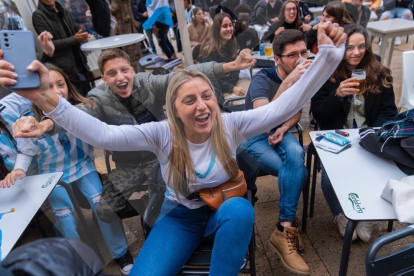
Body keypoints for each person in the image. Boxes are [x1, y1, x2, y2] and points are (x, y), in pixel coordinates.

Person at [6, 21, 346, 276]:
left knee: (242, 210)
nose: (202, 106)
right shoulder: (162, 133)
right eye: (190, 100)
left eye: (207, 96)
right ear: (174, 108)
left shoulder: (230, 124)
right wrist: (47, 102)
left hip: (223, 210)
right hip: (180, 216)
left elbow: (285, 106)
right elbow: (104, 136)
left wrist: (329, 56)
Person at [16, 42, 256, 224]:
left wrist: (231, 66)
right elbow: (83, 113)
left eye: (124, 70)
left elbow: (184, 75)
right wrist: (45, 125)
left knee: (180, 197)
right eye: (112, 74)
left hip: (164, 159)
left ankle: (168, 216)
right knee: (105, 212)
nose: (120, 78)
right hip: (128, 164)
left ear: (132, 71)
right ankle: (146, 204)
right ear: (104, 79)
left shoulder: (147, 83)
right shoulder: (98, 98)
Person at [0, 64, 134, 275]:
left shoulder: (77, 110)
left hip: (82, 165)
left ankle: (121, 252)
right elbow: (26, 152)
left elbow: (98, 131)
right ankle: (73, 263)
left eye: (60, 84)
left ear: (68, 86)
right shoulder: (29, 120)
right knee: (64, 217)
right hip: (51, 173)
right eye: (48, 86)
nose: (56, 91)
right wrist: (19, 170)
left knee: (101, 205)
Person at [311, 24, 398, 242]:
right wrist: (337, 96)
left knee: (381, 169)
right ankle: (341, 214)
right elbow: (319, 115)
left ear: (367, 48)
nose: (355, 52)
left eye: (360, 47)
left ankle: (370, 216)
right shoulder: (328, 73)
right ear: (341, 49)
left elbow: (389, 113)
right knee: (329, 180)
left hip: (368, 137)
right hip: (337, 137)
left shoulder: (380, 74)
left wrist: (371, 134)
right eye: (349, 48)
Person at [241, 29, 311, 275]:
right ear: (277, 59)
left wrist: (283, 128)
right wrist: (290, 82)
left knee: (294, 157)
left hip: (277, 133)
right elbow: (262, 117)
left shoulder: (301, 76)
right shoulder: (262, 79)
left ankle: (283, 229)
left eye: (303, 52)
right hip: (252, 137)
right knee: (296, 172)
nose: (300, 59)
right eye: (292, 55)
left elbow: (296, 111)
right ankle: (287, 228)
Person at [32, 0, 91, 96]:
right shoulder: (38, 15)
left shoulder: (63, 10)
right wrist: (75, 39)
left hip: (78, 59)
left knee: (88, 92)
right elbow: (50, 45)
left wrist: (81, 33)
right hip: (63, 65)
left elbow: (75, 27)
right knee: (75, 97)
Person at [199, 13, 247, 106]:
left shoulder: (231, 42)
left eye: (230, 25)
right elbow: (210, 80)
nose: (229, 29)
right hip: (221, 91)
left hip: (235, 82)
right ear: (217, 29)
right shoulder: (210, 50)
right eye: (224, 26)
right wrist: (232, 88)